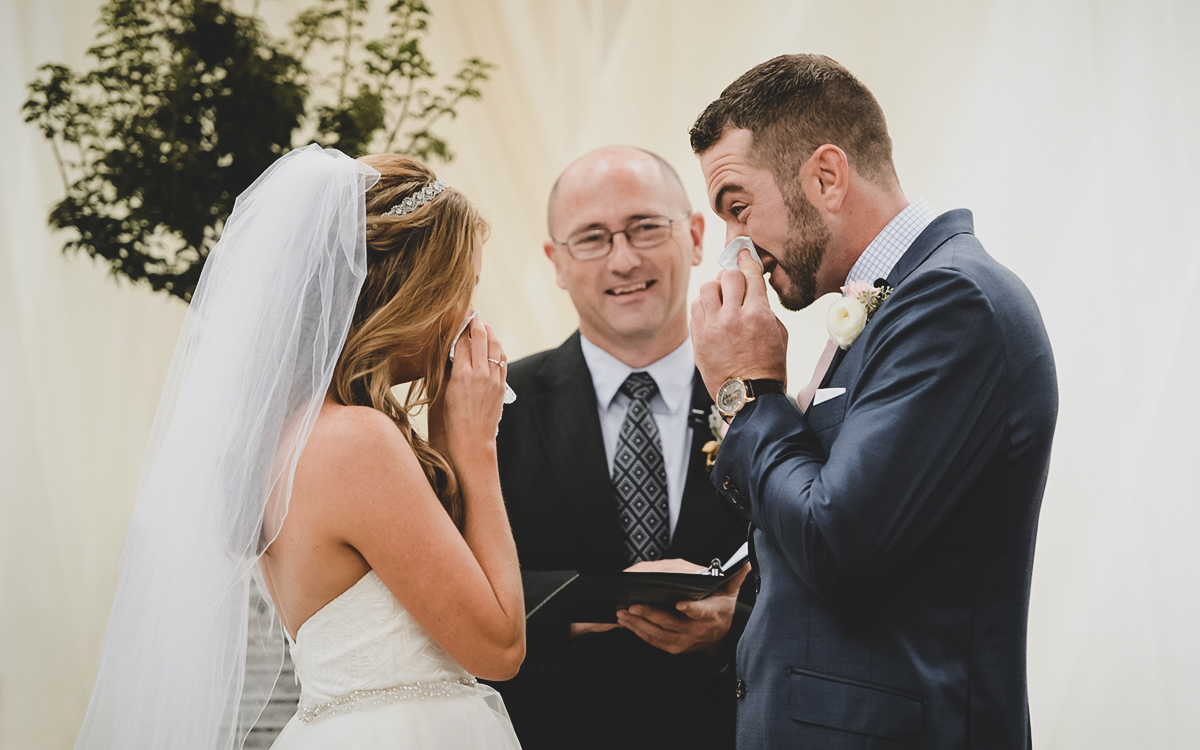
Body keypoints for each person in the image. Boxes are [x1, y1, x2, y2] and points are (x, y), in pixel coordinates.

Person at [74, 145, 525, 749]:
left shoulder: (284, 435)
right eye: (460, 288)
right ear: (408, 294)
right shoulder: (356, 442)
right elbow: (498, 646)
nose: (468, 314)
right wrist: (474, 449)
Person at [687, 54, 1058, 749]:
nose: (738, 246)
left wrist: (748, 392)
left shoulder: (952, 301)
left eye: (739, 206)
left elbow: (837, 540)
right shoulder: (889, 301)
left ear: (827, 176)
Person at [491, 145, 751, 750]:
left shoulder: (760, 400)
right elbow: (456, 586)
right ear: (557, 261)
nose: (623, 259)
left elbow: (810, 575)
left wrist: (733, 623)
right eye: (592, 238)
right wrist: (575, 612)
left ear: (691, 236)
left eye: (644, 228)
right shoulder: (497, 409)